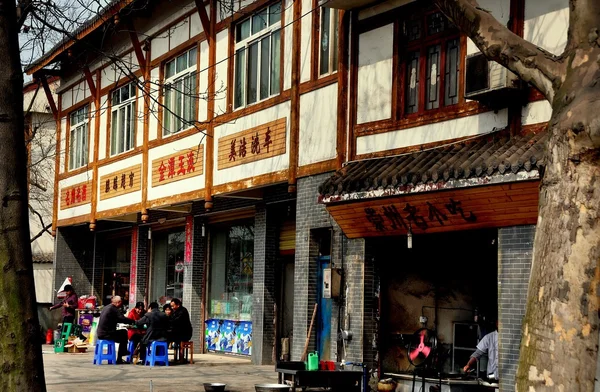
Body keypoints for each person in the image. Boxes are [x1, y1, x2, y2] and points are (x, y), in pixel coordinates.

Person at [96, 296, 134, 364]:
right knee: (123, 333)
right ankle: (122, 353)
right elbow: (122, 319)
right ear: (118, 302)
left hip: (100, 333)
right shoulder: (113, 309)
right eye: (120, 303)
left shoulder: (106, 307)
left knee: (122, 334)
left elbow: (117, 319)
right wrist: (133, 321)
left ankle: (121, 354)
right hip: (107, 334)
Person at [169, 298, 192, 363]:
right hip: (177, 332)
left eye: (173, 306)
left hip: (185, 333)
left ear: (178, 305)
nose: (172, 307)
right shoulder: (174, 311)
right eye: (171, 306)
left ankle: (181, 358)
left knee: (178, 340)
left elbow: (177, 321)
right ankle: (176, 357)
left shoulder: (183, 311)